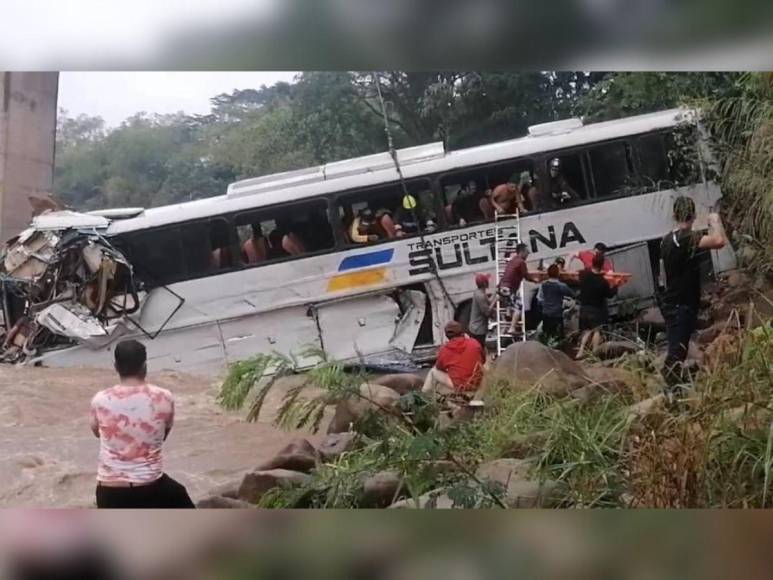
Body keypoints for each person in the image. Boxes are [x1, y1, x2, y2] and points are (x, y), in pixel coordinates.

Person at [90, 339, 195, 509]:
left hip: (108, 491)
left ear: (115, 366)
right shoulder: (164, 397)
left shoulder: (100, 400)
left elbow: (96, 432)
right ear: (144, 366)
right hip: (150, 487)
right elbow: (162, 436)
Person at [660, 196, 727, 392]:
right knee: (677, 350)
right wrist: (714, 220)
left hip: (673, 302)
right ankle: (669, 392)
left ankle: (675, 387)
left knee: (678, 346)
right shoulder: (686, 239)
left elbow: (662, 274)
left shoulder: (666, 240)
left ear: (674, 215)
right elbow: (719, 241)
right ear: (695, 215)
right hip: (681, 305)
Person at [422, 321, 484, 398]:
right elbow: (483, 360)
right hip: (476, 383)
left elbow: (439, 368)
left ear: (447, 336)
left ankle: (423, 396)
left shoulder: (445, 349)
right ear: (462, 333)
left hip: (459, 385)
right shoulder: (474, 343)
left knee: (433, 372)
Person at [499, 242, 540, 335]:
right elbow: (526, 276)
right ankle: (512, 328)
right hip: (508, 288)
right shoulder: (521, 262)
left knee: (511, 303)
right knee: (519, 306)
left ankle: (508, 314)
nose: (528, 253)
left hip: (503, 287)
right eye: (527, 251)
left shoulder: (513, 260)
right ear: (521, 252)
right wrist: (535, 280)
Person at [578, 253, 617, 331]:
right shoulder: (602, 282)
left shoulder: (583, 274)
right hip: (596, 312)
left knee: (583, 333)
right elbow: (610, 295)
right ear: (602, 265)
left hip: (583, 310)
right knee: (597, 333)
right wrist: (616, 285)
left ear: (592, 262)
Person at [539, 264, 575, 342]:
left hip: (546, 313)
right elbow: (572, 294)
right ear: (558, 273)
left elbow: (540, 298)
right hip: (557, 314)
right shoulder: (561, 286)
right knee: (557, 338)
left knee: (546, 335)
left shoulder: (543, 284)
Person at [468, 273, 497, 351]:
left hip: (474, 326)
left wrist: (496, 293)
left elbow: (489, 301)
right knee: (479, 349)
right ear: (484, 283)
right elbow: (487, 312)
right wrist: (496, 300)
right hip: (478, 329)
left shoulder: (478, 292)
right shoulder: (481, 296)